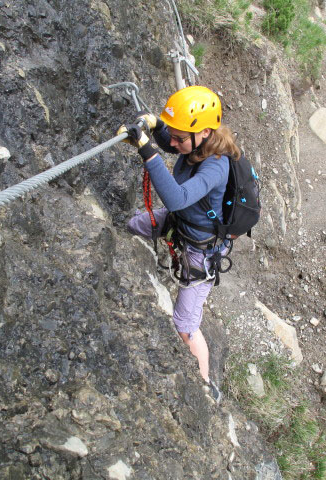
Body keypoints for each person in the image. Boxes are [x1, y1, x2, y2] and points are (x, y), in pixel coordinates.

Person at [117, 86, 241, 403]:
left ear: (203, 132)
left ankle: (205, 386)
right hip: (181, 223)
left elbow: (176, 197)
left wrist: (148, 151)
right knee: (130, 224)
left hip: (201, 252)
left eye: (180, 137)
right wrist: (155, 125)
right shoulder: (194, 145)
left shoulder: (216, 166)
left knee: (185, 326)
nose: (173, 143)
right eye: (173, 135)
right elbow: (173, 144)